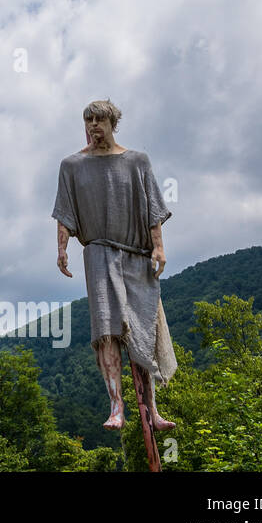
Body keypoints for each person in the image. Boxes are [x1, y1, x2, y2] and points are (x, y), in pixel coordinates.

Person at [52, 99, 177, 431]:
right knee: (107, 331)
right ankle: (116, 406)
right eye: (88, 120)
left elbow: (152, 208)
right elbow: (64, 212)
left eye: (99, 120)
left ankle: (152, 410)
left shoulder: (137, 161)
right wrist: (61, 249)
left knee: (143, 329)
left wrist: (159, 248)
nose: (93, 126)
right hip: (98, 254)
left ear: (112, 123)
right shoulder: (72, 165)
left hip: (137, 254)